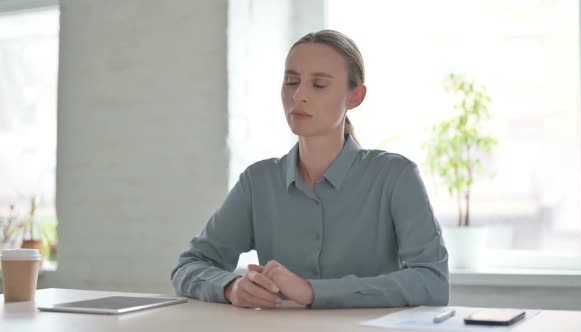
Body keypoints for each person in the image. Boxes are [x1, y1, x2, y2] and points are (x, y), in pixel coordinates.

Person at [171, 29, 449, 309]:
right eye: (291, 81)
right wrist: (231, 287)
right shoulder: (258, 182)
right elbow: (190, 266)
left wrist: (312, 291)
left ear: (355, 97)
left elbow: (432, 282)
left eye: (319, 84)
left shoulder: (395, 176)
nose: (299, 95)